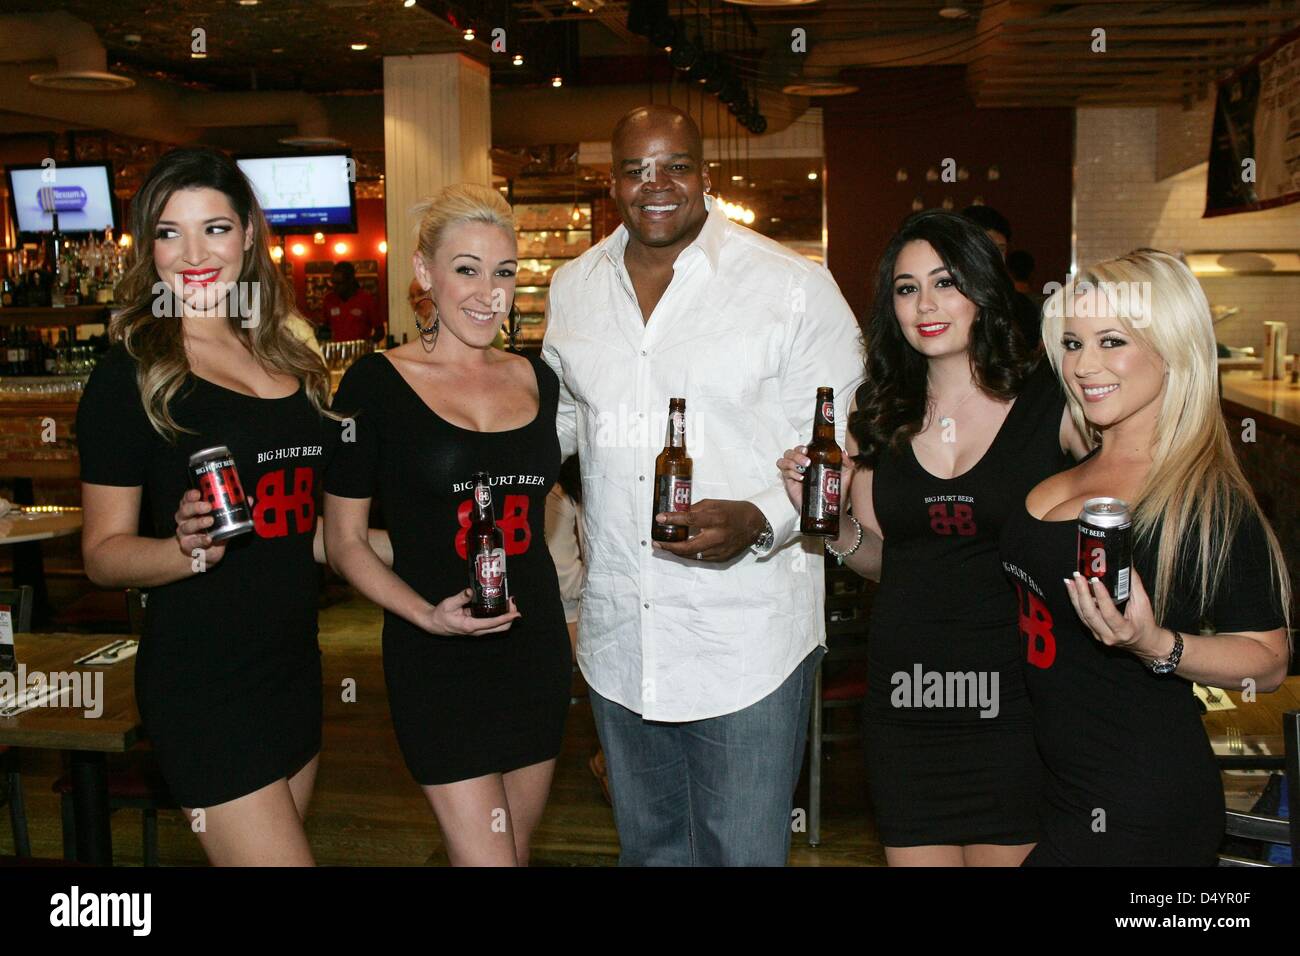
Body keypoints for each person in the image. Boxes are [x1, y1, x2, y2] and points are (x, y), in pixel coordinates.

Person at [542, 104, 863, 866]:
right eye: (635, 168)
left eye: (675, 165)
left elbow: (831, 447)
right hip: (622, 635)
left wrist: (759, 517)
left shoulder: (793, 287)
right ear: (612, 180)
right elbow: (557, 428)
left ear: (705, 175)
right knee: (650, 853)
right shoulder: (573, 287)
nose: (656, 184)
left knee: (744, 856)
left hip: (746, 639)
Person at [779, 209, 1088, 866]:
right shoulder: (878, 412)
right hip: (906, 702)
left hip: (1019, 703)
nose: (926, 303)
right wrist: (832, 527)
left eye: (945, 282)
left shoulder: (1052, 407)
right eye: (906, 287)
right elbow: (887, 563)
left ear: (983, 289)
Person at [77, 146, 338, 865]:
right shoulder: (129, 376)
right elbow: (101, 556)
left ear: (249, 235)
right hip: (203, 682)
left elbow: (306, 528)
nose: (193, 254)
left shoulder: (288, 357)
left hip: (292, 666)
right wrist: (181, 546)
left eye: (215, 229)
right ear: (147, 246)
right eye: (169, 233)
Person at [1000, 249, 1291, 865]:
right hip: (1053, 782)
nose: (1086, 366)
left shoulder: (1201, 497)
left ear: (1172, 349)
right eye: (1073, 345)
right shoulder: (1075, 452)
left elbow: (1266, 661)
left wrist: (1156, 643)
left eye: (1112, 341)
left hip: (1140, 802)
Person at [324, 184, 570, 867]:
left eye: (504, 272)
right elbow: (343, 542)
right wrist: (425, 616)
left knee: (507, 858)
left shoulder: (536, 379)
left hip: (534, 649)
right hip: (436, 657)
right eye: (467, 269)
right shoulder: (374, 385)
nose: (489, 293)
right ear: (424, 273)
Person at [962, 204, 1041, 347]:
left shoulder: (1020, 307)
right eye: (984, 248)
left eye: (1000, 249)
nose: (994, 257)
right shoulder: (945, 301)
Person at [320, 261, 383, 342]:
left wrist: (367, 345)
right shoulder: (329, 299)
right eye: (333, 283)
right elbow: (325, 329)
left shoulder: (366, 299)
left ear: (350, 280)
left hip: (360, 352)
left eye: (339, 283)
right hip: (337, 352)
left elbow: (380, 331)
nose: (335, 287)